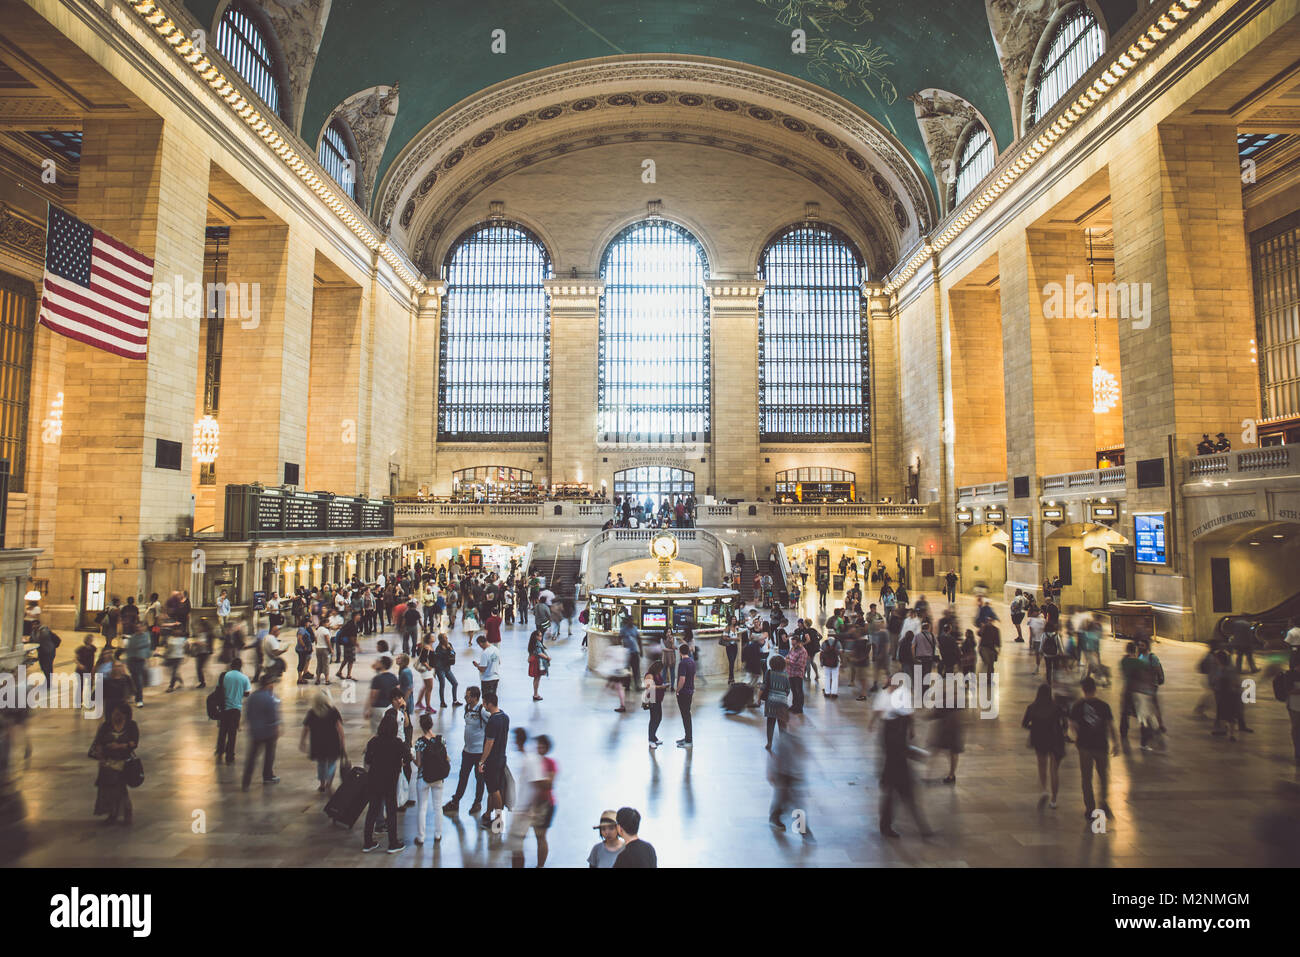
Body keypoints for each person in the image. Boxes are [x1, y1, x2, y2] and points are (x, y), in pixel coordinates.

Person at [1069, 676, 1119, 822]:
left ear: (1083, 690)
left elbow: (1072, 726)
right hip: (1101, 745)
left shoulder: (1077, 706)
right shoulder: (1104, 706)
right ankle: (1103, 803)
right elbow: (1110, 725)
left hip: (1085, 746)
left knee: (1086, 778)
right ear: (1095, 689)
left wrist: (1078, 736)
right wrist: (1116, 743)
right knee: (1104, 777)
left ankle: (1090, 808)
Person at [362, 712, 411, 854]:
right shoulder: (397, 743)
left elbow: (368, 760)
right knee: (391, 811)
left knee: (372, 810)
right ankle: (393, 843)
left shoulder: (373, 742)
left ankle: (367, 842)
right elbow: (407, 758)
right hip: (390, 781)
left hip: (374, 779)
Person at [90, 702, 139, 826]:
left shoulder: (131, 726)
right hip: (107, 762)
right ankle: (111, 812)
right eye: (114, 714)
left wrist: (121, 746)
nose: (115, 717)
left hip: (123, 762)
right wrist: (101, 754)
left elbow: (134, 743)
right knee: (107, 789)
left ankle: (125, 812)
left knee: (120, 788)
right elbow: (98, 742)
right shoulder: (106, 726)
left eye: (119, 714)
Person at [443, 686, 487, 816]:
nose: (465, 698)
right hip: (467, 751)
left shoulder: (482, 710)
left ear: (474, 697)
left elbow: (492, 723)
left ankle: (477, 802)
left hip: (479, 752)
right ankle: (456, 801)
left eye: (468, 696)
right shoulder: (467, 708)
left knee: (479, 778)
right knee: (463, 777)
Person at [1023, 684, 1066, 808]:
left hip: (1039, 739)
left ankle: (1043, 790)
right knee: (1054, 770)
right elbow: (1064, 723)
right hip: (1055, 739)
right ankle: (1054, 800)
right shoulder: (1056, 707)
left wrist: (1035, 728)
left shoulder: (1032, 707)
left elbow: (1025, 723)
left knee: (1042, 766)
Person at [412, 712, 449, 845]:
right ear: (432, 724)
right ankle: (438, 834)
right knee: (438, 807)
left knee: (422, 808)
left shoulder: (420, 743)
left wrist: (412, 757)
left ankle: (421, 837)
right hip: (438, 778)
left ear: (421, 726)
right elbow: (446, 758)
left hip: (424, 778)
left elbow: (419, 763)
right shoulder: (441, 739)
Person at [241, 673, 282, 791]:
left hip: (255, 732)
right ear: (267, 685)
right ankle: (267, 776)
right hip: (268, 732)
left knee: (252, 757)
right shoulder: (270, 698)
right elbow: (273, 717)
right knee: (269, 755)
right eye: (271, 683)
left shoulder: (253, 697)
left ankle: (246, 782)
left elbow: (247, 714)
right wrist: (277, 728)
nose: (273, 685)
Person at [300, 688, 345, 794]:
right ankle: (329, 783)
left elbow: (306, 728)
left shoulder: (312, 712)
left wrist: (302, 741)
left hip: (317, 743)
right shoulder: (333, 711)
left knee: (321, 764)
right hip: (332, 743)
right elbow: (340, 729)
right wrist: (342, 741)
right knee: (332, 763)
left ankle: (322, 784)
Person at [478, 691, 510, 830]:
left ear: (490, 703)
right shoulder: (504, 717)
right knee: (492, 788)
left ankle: (498, 821)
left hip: (492, 760)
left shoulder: (492, 721)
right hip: (501, 757)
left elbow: (489, 743)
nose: (483, 705)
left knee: (494, 790)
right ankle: (487, 813)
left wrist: (482, 761)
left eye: (484, 702)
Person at [762, 655, 791, 750]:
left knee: (770, 723)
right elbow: (787, 690)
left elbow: (764, 685)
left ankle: (769, 743)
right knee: (782, 723)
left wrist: (759, 698)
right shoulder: (786, 675)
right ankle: (783, 743)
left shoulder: (769, 673)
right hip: (782, 702)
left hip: (771, 701)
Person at [675, 643, 695, 749]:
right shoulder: (692, 661)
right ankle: (687, 737)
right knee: (687, 715)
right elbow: (693, 676)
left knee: (685, 716)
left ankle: (689, 740)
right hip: (690, 691)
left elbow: (682, 679)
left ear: (680, 652)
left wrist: (677, 690)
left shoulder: (682, 663)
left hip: (683, 693)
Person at [474, 633, 501, 698]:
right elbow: (499, 662)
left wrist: (477, 665)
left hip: (487, 680)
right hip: (495, 678)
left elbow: (483, 669)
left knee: (486, 700)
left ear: (480, 643)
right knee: (493, 698)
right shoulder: (496, 649)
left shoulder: (485, 653)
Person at [528, 629, 551, 701]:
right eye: (540, 635)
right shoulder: (537, 643)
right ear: (536, 636)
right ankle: (535, 694)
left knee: (536, 678)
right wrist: (547, 657)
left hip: (534, 661)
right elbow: (539, 653)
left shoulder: (533, 643)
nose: (541, 637)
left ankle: (535, 693)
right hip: (537, 662)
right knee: (537, 678)